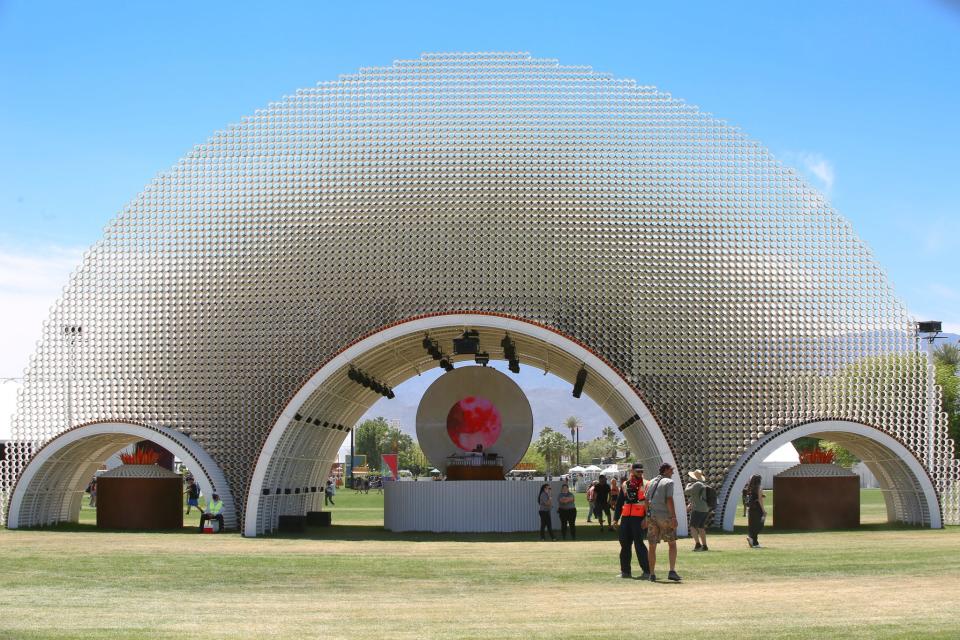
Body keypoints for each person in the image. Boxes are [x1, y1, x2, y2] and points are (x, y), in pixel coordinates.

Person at [646, 463, 681, 582]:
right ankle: (672, 571)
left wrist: (647, 516)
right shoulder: (668, 482)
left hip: (652, 517)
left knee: (652, 545)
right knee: (672, 544)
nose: (673, 472)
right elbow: (669, 499)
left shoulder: (650, 482)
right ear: (665, 470)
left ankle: (652, 574)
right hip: (665, 517)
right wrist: (673, 517)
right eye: (671, 470)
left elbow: (646, 500)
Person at [614, 463, 650, 579]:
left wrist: (646, 518)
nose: (640, 473)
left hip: (639, 518)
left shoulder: (647, 484)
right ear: (632, 471)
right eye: (638, 471)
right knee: (624, 545)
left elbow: (649, 503)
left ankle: (647, 571)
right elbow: (619, 503)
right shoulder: (625, 484)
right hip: (626, 518)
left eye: (641, 471)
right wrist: (615, 519)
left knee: (639, 545)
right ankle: (625, 572)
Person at [684, 469, 710, 551]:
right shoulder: (703, 484)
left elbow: (686, 492)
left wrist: (688, 485)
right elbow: (697, 497)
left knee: (692, 527)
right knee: (701, 527)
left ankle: (698, 544)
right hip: (705, 509)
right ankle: (705, 546)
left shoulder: (697, 485)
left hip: (697, 509)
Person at [746, 473, 766, 548]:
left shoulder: (750, 488)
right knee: (759, 524)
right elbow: (760, 500)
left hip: (751, 508)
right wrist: (763, 510)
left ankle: (755, 542)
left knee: (752, 525)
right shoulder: (759, 487)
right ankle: (752, 539)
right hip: (757, 508)